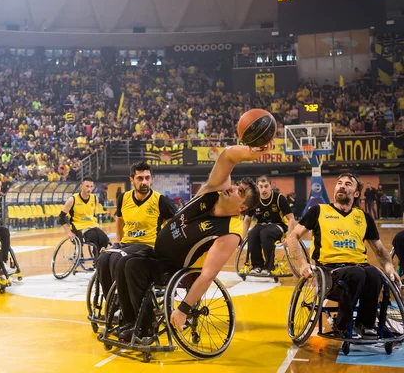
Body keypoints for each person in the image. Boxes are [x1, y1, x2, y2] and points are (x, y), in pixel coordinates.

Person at [117, 144, 269, 341]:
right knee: (121, 262)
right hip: (159, 253)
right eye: (236, 185)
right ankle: (131, 322)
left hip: (177, 269)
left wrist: (183, 309)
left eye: (239, 192)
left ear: (243, 208)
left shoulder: (231, 232)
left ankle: (145, 329)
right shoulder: (214, 190)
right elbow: (227, 156)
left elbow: (207, 275)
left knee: (132, 267)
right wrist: (250, 152)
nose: (231, 188)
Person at [286, 173, 401, 339]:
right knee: (357, 273)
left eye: (348, 184)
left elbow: (380, 250)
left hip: (358, 269)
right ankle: (342, 324)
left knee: (375, 274)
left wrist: (390, 269)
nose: (342, 186)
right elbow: (292, 237)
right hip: (328, 272)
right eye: (339, 183)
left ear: (355, 193)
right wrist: (303, 264)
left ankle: (365, 324)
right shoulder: (319, 211)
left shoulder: (363, 218)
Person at [97, 162, 176, 310]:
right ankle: (112, 302)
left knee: (116, 258)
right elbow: (119, 222)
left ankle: (123, 302)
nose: (144, 182)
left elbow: (174, 226)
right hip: (126, 244)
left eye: (147, 178)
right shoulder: (124, 198)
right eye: (140, 178)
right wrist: (118, 243)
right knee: (102, 259)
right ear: (132, 180)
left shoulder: (161, 201)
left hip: (148, 246)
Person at [242, 175, 295, 276]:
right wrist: (242, 237)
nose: (263, 189)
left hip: (278, 225)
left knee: (265, 233)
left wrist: (289, 237)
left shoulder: (279, 198)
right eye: (261, 187)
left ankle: (269, 267)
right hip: (262, 225)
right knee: (252, 233)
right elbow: (247, 219)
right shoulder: (254, 200)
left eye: (266, 186)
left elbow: (291, 219)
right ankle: (257, 266)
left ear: (271, 186)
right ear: (257, 188)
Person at [59, 177, 110, 260]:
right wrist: (69, 232)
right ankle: (97, 259)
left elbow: (93, 215)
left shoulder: (94, 199)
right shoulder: (72, 200)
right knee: (93, 237)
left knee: (104, 238)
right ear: (81, 187)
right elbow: (61, 217)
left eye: (91, 186)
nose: (89, 189)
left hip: (92, 226)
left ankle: (99, 258)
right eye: (87, 186)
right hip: (78, 227)